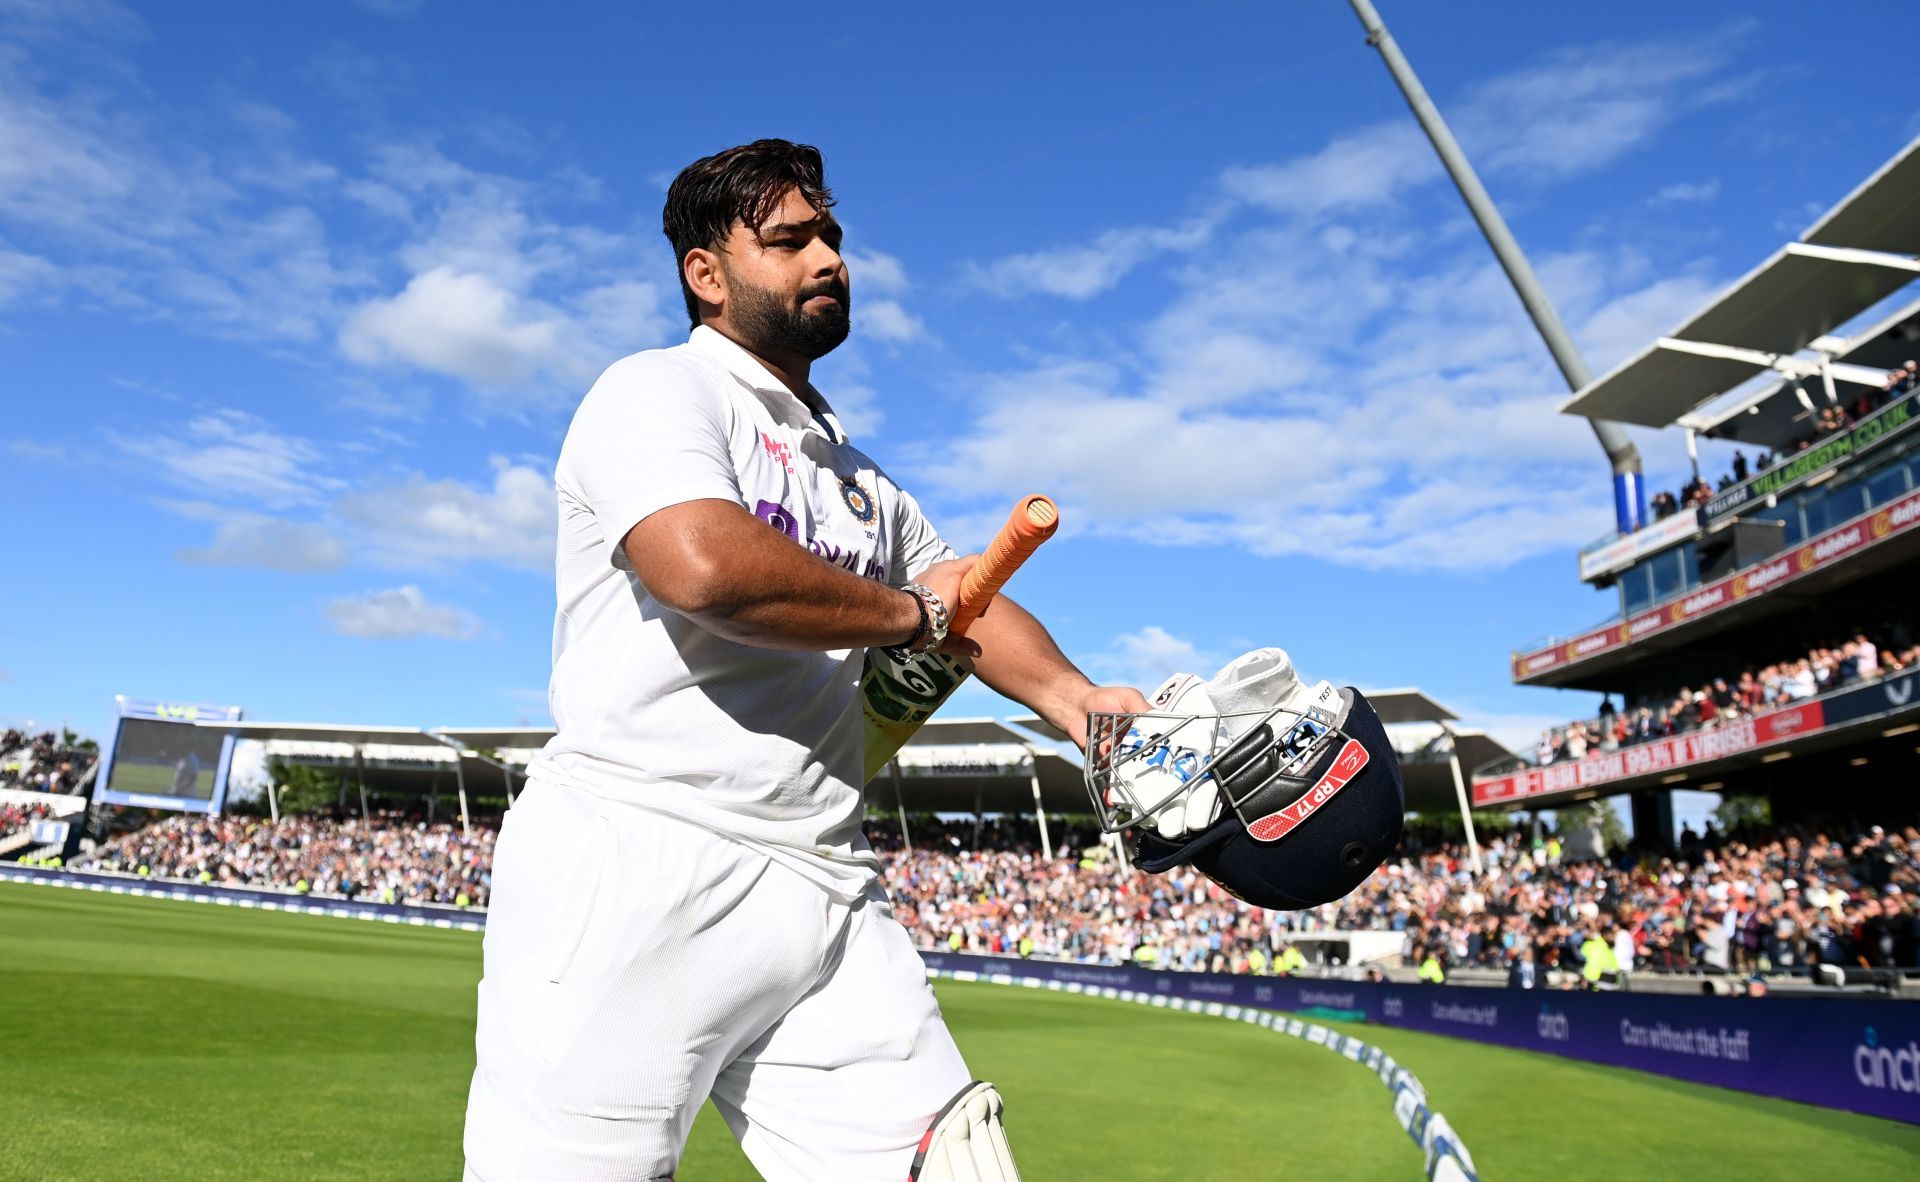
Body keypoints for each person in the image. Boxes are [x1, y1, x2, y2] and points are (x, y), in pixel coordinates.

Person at [463, 140, 1148, 1181]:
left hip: (825, 881)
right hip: (637, 862)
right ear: (707, 273)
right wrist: (909, 616)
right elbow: (702, 566)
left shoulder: (862, 480)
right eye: (790, 240)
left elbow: (963, 595)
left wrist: (1076, 700)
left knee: (954, 1168)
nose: (828, 257)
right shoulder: (657, 393)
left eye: (831, 235)